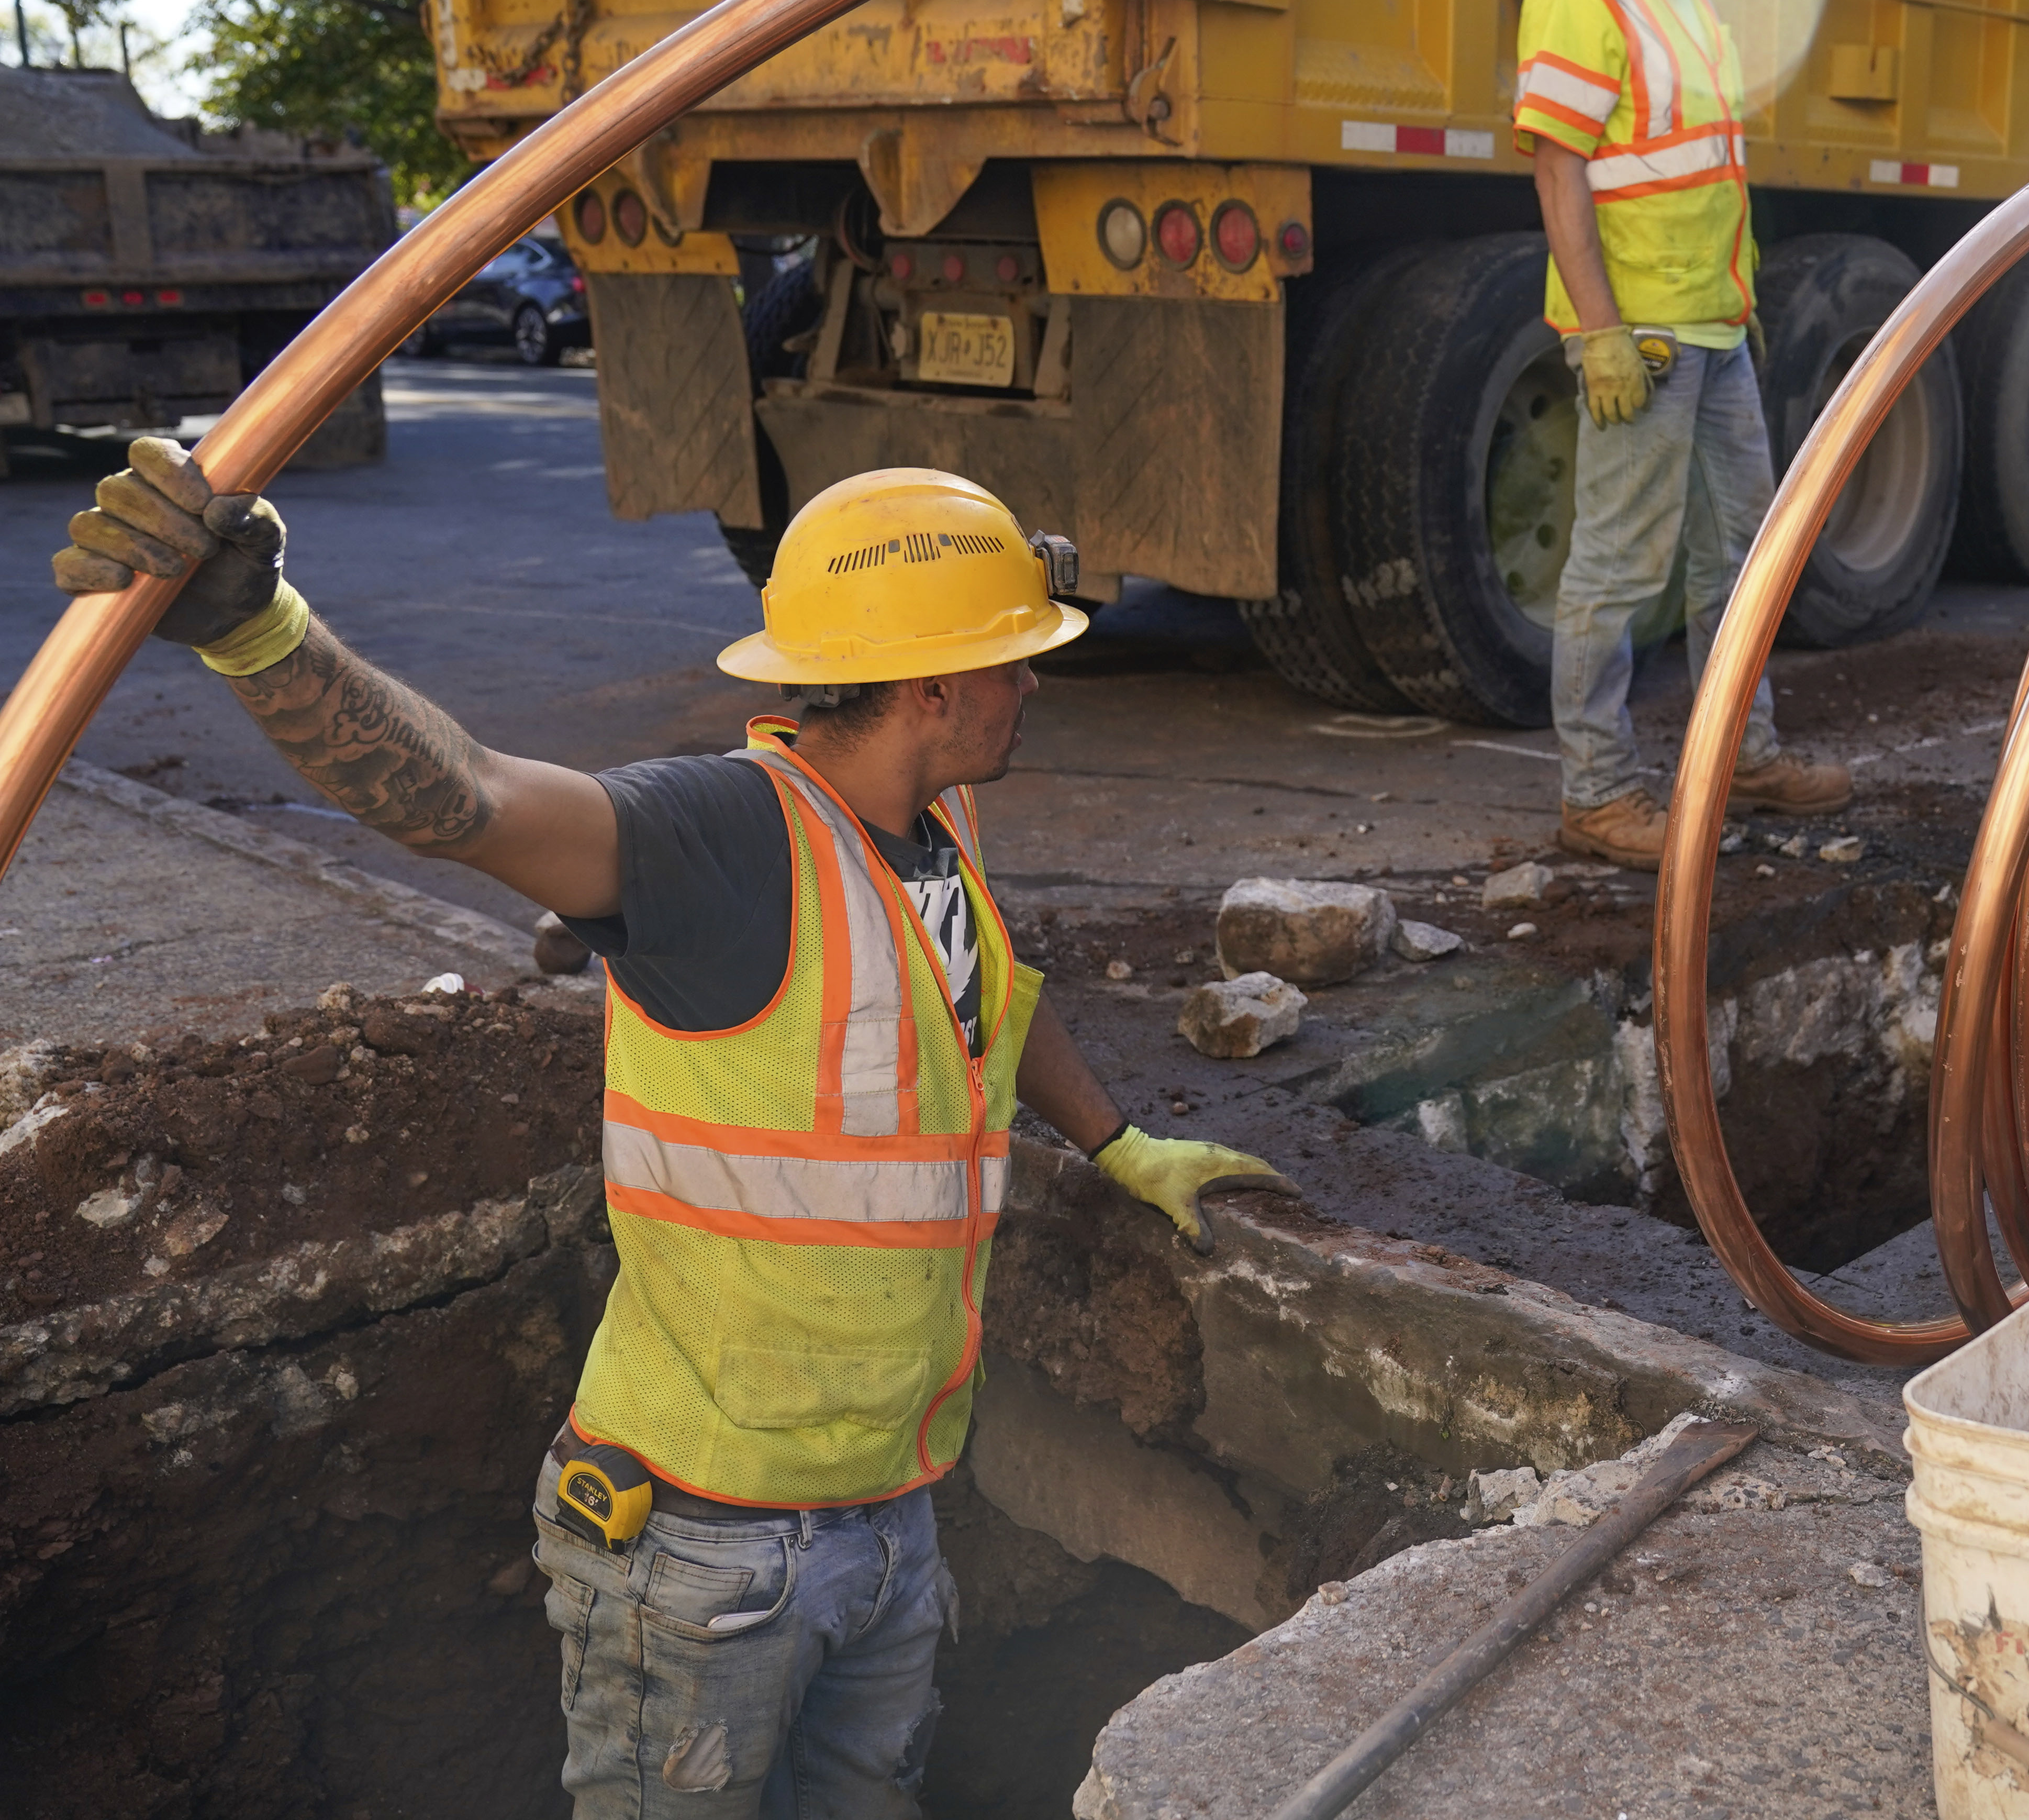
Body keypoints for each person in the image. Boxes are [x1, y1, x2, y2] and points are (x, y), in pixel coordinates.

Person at [51, 447, 1294, 1812]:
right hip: (704, 1553)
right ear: (933, 686)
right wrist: (254, 627)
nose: (1033, 684)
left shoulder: (937, 830)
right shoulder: (724, 841)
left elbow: (991, 1002)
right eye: (1014, 659)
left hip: (892, 1512)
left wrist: (1121, 1145)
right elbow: (464, 797)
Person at [1514, 0, 1854, 871]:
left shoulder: (1694, 6)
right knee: (1616, 567)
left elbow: (1709, 180)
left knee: (1742, 561)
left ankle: (1740, 758)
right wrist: (1601, 331)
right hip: (1644, 342)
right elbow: (1560, 172)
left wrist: (1737, 306)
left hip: (1713, 330)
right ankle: (1598, 793)